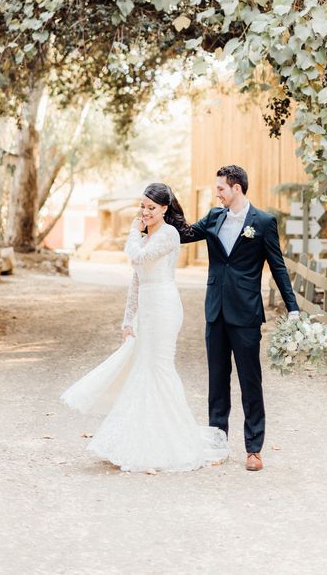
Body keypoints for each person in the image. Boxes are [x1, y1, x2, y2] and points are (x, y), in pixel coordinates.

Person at [61, 182, 228, 473]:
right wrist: (128, 319)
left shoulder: (169, 235)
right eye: (142, 206)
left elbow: (138, 257)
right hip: (146, 309)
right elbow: (136, 278)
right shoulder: (144, 235)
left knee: (159, 367)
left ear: (164, 208)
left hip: (164, 307)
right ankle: (137, 438)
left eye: (151, 207)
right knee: (142, 368)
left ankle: (174, 440)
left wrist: (131, 233)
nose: (145, 212)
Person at [181, 164, 299, 472]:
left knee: (250, 381)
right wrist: (162, 211)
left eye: (221, 188)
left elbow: (278, 267)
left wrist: (293, 307)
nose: (216, 192)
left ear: (237, 188)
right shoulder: (213, 217)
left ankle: (254, 448)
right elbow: (184, 234)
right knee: (217, 381)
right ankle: (216, 443)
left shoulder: (263, 222)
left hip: (246, 312)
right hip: (215, 310)